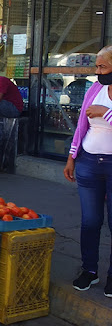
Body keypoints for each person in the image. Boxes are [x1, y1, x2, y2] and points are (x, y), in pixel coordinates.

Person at [63, 45, 112, 296]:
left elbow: (104, 115)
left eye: (102, 67)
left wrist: (108, 113)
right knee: (91, 221)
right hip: (89, 162)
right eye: (97, 66)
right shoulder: (96, 88)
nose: (97, 72)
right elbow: (82, 124)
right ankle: (89, 270)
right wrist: (73, 157)